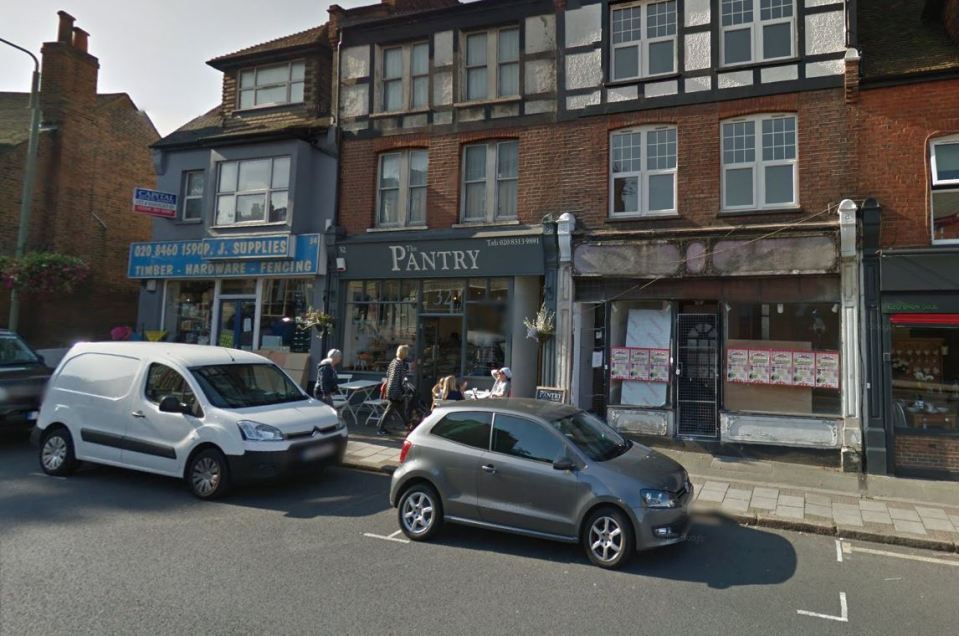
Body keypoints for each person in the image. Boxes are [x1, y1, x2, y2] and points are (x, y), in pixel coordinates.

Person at [380, 344, 410, 435]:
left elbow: (388, 374)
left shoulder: (393, 362)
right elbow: (402, 379)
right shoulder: (400, 364)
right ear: (404, 353)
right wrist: (405, 389)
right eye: (407, 352)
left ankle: (408, 425)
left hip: (390, 389)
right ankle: (380, 429)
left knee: (401, 410)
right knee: (389, 410)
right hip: (396, 391)